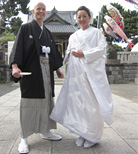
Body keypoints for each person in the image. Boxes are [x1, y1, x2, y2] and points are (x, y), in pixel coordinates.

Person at [50, 6, 114, 148]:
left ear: (89, 17)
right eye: (79, 17)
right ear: (76, 19)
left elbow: (102, 49)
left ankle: (93, 135)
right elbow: (67, 51)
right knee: (79, 104)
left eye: (84, 16)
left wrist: (84, 54)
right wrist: (70, 54)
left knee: (92, 104)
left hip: (91, 75)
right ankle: (82, 132)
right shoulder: (73, 36)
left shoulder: (96, 33)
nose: (81, 19)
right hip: (77, 76)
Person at [9, 2, 64, 153]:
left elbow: (52, 51)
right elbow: (18, 47)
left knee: (46, 100)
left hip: (46, 69)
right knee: (29, 103)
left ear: (46, 13)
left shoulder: (46, 31)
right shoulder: (25, 28)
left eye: (43, 9)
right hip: (32, 70)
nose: (41, 11)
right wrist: (15, 66)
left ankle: (45, 131)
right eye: (38, 9)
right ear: (33, 11)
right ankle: (24, 138)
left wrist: (57, 69)